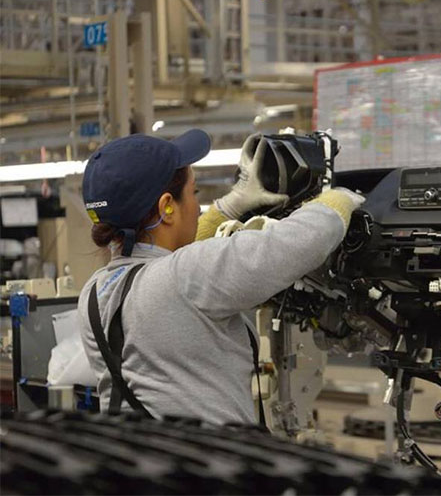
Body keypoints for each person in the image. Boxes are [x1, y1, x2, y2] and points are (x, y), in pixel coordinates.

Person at [76, 129, 363, 425]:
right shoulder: (186, 277)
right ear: (167, 207)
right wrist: (339, 201)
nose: (196, 205)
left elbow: (165, 267)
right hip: (208, 461)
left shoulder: (95, 292)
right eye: (193, 193)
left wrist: (230, 206)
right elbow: (297, 243)